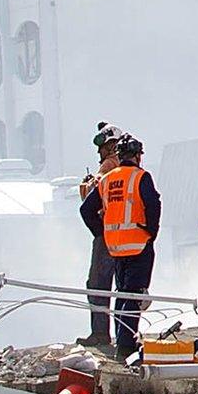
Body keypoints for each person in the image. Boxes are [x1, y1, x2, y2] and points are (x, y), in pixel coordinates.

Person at [78, 134, 159, 358]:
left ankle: (124, 338)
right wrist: (150, 233)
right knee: (133, 296)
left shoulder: (106, 179)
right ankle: (125, 344)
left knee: (123, 294)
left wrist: (102, 231)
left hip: (115, 247)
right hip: (138, 245)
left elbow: (86, 209)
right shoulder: (141, 177)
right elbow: (153, 205)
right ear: (137, 156)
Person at [76, 121, 121, 349]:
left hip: (107, 235)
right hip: (127, 237)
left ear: (109, 145)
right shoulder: (128, 169)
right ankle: (125, 336)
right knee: (124, 287)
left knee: (97, 284)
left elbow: (90, 202)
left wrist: (84, 188)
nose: (99, 152)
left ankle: (100, 333)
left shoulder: (108, 166)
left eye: (101, 147)